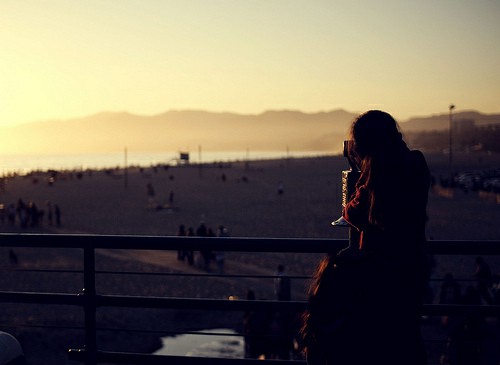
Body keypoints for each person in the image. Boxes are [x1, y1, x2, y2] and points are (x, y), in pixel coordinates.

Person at [301, 110, 430, 365]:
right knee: (407, 340)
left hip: (379, 276)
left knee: (376, 345)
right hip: (413, 269)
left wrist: (359, 171)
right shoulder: (416, 162)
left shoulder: (379, 170)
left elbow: (352, 212)